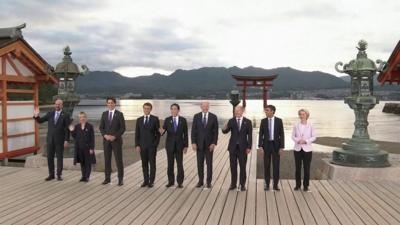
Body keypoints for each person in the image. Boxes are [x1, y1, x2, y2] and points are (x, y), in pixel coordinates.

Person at [33, 98, 70, 181]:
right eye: (56, 104)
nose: (57, 105)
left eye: (59, 104)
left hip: (60, 140)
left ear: (62, 105)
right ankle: (51, 174)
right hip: (50, 140)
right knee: (50, 157)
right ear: (55, 104)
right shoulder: (50, 113)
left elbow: (67, 129)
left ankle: (59, 175)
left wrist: (66, 140)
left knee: (59, 158)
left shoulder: (66, 115)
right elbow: (40, 121)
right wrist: (36, 116)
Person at [222, 106, 252, 191]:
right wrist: (224, 127)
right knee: (233, 166)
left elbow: (249, 136)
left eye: (238, 110)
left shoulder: (248, 122)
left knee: (243, 167)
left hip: (243, 148)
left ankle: (242, 185)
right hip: (232, 148)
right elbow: (225, 132)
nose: (236, 112)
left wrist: (249, 147)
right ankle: (233, 184)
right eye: (235, 111)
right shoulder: (231, 121)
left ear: (242, 111)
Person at [159, 103, 188, 188]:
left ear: (178, 110)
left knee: (180, 164)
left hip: (180, 145)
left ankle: (180, 182)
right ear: (170, 110)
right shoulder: (167, 120)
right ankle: (171, 182)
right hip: (170, 146)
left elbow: (185, 134)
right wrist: (161, 131)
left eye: (175, 109)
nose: (173, 110)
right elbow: (163, 131)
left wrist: (186, 146)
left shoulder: (183, 120)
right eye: (172, 109)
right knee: (170, 164)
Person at [191, 101, 218, 188]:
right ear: (201, 107)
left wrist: (214, 143)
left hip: (209, 145)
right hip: (199, 144)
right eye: (204, 106)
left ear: (208, 107)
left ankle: (209, 182)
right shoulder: (196, 116)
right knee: (200, 164)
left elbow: (216, 132)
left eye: (207, 106)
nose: (205, 107)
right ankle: (200, 181)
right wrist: (193, 142)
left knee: (209, 164)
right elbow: (193, 131)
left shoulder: (213, 117)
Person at [99, 97, 126, 186]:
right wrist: (105, 135)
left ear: (115, 104)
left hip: (116, 141)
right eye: (108, 103)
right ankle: (107, 179)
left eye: (112, 103)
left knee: (119, 160)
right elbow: (101, 127)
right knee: (107, 160)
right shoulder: (104, 114)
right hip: (106, 141)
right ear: (107, 104)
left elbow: (123, 128)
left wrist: (115, 136)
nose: (110, 104)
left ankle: (120, 180)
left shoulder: (119, 114)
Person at [258, 105, 284, 191]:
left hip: (276, 145)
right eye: (265, 110)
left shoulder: (279, 121)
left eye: (267, 110)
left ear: (273, 111)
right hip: (266, 145)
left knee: (276, 166)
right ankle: (267, 184)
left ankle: (275, 185)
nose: (266, 112)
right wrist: (260, 146)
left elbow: (282, 134)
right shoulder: (263, 121)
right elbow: (260, 134)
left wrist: (281, 147)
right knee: (266, 165)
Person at [135, 102, 160, 188]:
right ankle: (145, 180)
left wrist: (155, 145)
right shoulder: (139, 120)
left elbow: (158, 134)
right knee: (144, 164)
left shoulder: (155, 119)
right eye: (145, 108)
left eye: (148, 108)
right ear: (143, 109)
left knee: (152, 164)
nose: (146, 110)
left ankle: (151, 181)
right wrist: (137, 145)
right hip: (142, 146)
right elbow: (137, 134)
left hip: (151, 146)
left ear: (150, 109)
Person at [292, 109, 316, 192]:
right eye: (300, 114)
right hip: (297, 148)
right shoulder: (296, 125)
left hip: (307, 149)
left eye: (303, 114)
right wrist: (297, 140)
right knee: (297, 168)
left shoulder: (311, 125)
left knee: (307, 168)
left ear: (307, 115)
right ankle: (297, 185)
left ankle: (306, 186)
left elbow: (314, 137)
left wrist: (306, 141)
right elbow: (293, 136)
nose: (301, 116)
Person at [69, 112, 96, 182]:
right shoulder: (77, 126)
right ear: (79, 119)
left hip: (87, 148)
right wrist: (72, 131)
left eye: (83, 117)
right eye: (80, 117)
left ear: (86, 118)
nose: (82, 118)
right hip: (79, 148)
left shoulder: (90, 126)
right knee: (82, 162)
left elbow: (92, 138)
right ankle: (83, 176)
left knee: (88, 163)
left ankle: (87, 177)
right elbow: (75, 136)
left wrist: (92, 148)